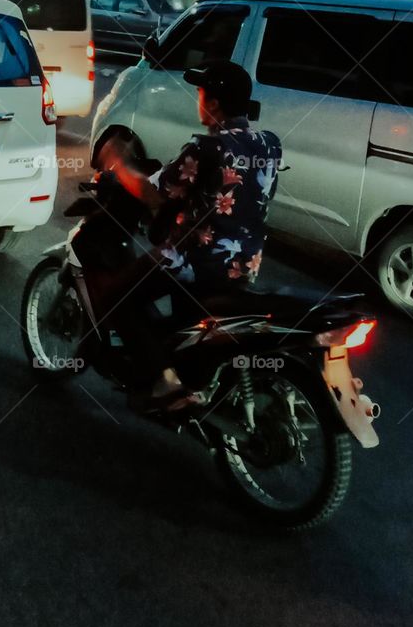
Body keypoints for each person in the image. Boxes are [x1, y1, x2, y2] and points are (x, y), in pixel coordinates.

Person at [96, 59, 282, 411]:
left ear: (212, 103)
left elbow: (154, 193)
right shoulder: (269, 145)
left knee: (116, 296)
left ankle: (165, 384)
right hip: (244, 264)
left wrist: (119, 163)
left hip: (195, 263)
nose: (198, 98)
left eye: (200, 92)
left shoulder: (205, 148)